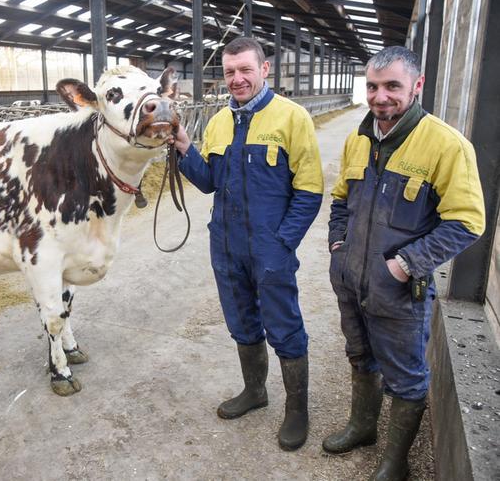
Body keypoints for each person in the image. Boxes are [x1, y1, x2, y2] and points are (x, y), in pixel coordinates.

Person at [323, 46, 485, 480]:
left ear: (417, 85)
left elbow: (468, 222)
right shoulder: (358, 137)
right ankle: (362, 427)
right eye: (373, 86)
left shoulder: (446, 145)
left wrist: (404, 264)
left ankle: (395, 463)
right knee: (359, 356)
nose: (380, 97)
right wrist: (338, 246)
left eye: (392, 86)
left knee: (406, 377)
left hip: (399, 290)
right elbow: (341, 200)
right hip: (351, 279)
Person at [170, 36, 323, 451]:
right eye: (230, 71)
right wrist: (184, 146)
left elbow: (309, 190)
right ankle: (255, 391)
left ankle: (297, 410)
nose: (237, 79)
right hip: (226, 245)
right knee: (241, 321)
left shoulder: (292, 118)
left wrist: (283, 242)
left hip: (270, 247)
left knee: (284, 326)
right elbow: (208, 183)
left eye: (245, 70)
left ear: (264, 70)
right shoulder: (219, 121)